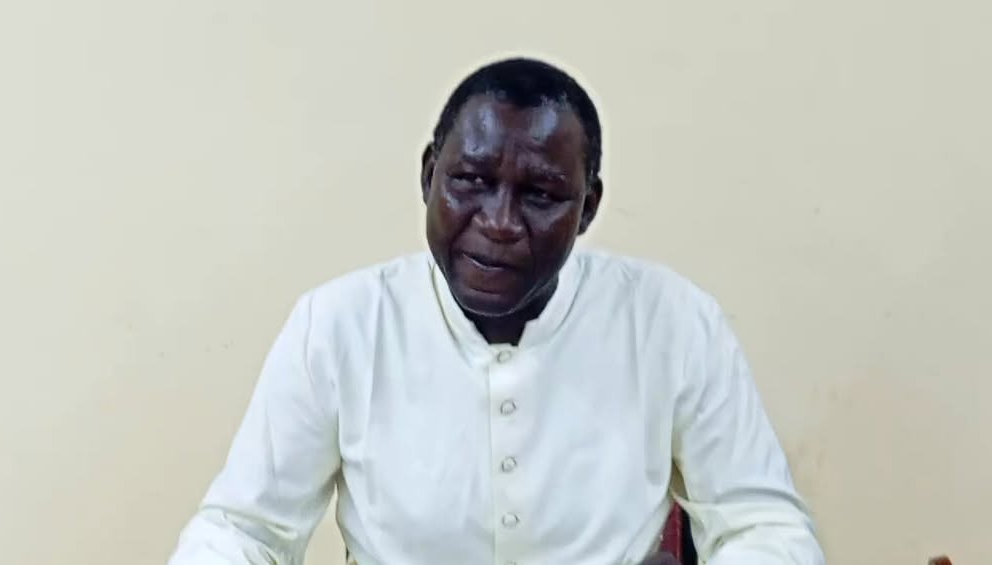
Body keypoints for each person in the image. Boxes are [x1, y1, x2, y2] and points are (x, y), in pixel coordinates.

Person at [168, 57, 825, 565]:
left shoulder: (671, 322)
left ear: (588, 208)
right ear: (429, 175)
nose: (500, 222)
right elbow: (242, 529)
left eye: (540, 194)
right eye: (471, 182)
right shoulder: (339, 325)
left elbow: (765, 526)